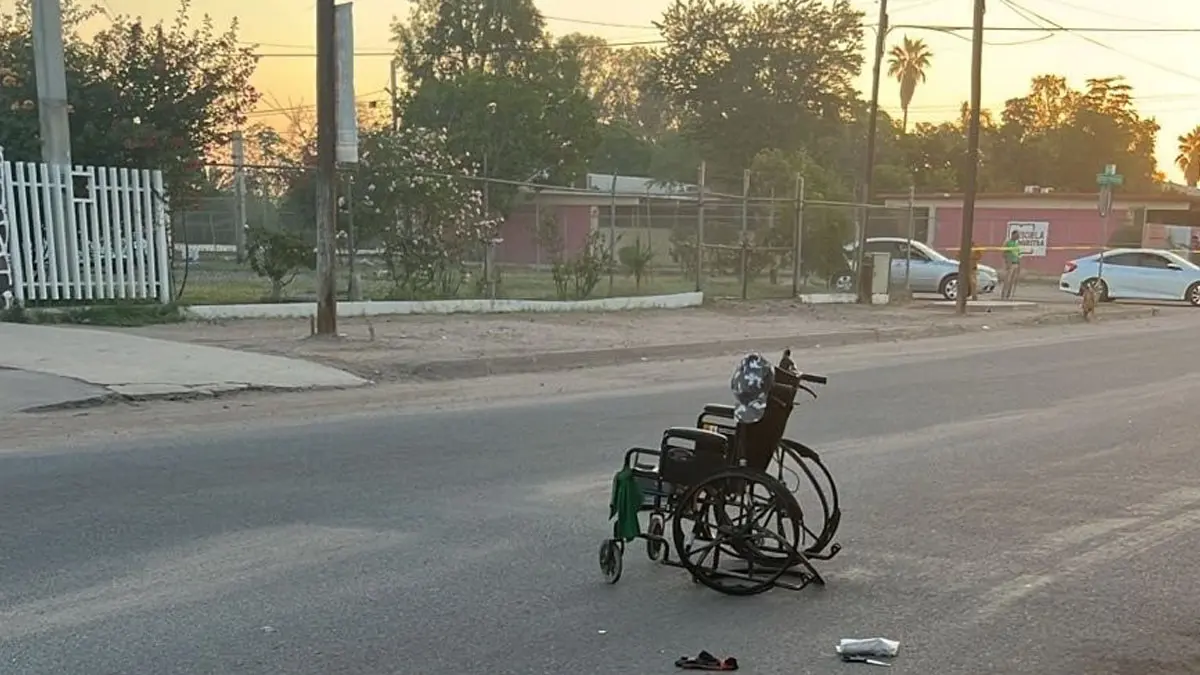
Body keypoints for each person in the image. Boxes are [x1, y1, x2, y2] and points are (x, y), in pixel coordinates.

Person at [1001, 229, 1022, 299]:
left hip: (1016, 263)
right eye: (1017, 235)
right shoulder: (1007, 242)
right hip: (1010, 264)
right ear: (1013, 235)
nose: (1018, 236)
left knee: (1012, 281)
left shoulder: (1017, 243)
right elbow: (1003, 253)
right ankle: (1003, 295)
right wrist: (1007, 262)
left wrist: (1019, 263)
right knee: (1007, 280)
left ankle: (1008, 296)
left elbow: (1018, 254)